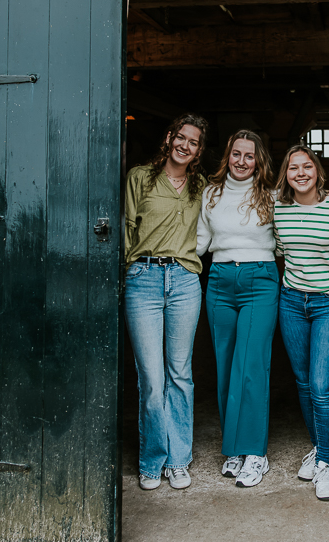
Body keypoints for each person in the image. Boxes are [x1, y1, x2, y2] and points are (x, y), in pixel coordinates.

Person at [123, 113, 208, 491]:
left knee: (180, 374)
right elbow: (127, 228)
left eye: (194, 142)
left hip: (186, 280)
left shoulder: (201, 185)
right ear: (169, 138)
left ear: (199, 150)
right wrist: (128, 271)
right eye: (181, 137)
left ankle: (178, 460)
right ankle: (152, 459)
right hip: (143, 278)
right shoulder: (140, 177)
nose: (185, 146)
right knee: (152, 379)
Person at [196, 129, 279, 488]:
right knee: (226, 363)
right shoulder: (210, 193)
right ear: (227, 156)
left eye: (249, 156)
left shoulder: (271, 196)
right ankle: (233, 447)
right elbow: (200, 242)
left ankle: (255, 453)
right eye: (236, 154)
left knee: (251, 365)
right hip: (219, 280)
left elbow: (286, 242)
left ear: (258, 161)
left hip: (260, 280)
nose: (242, 162)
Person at [274, 145, 329, 501]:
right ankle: (319, 447)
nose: (301, 173)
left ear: (319, 172)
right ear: (286, 174)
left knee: (323, 385)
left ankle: (324, 463)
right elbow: (278, 251)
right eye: (293, 168)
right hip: (292, 300)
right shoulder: (279, 208)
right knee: (304, 382)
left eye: (307, 166)